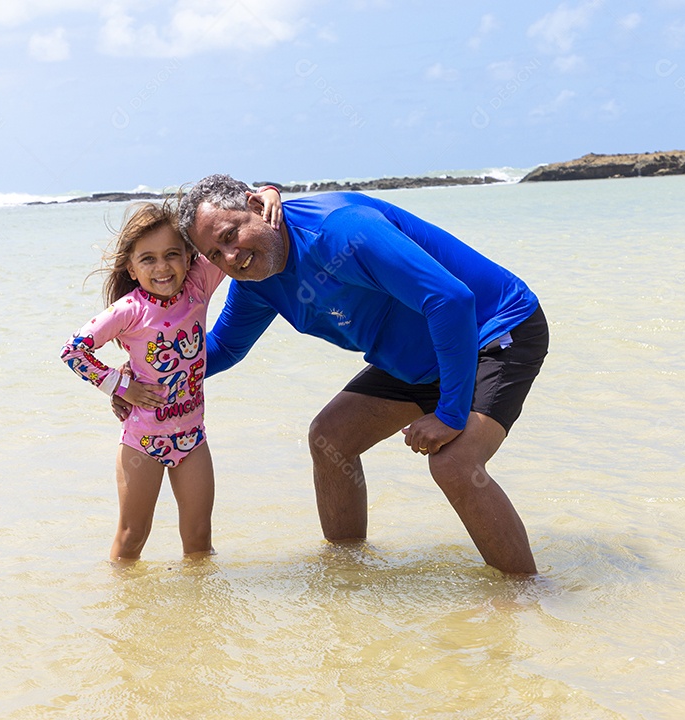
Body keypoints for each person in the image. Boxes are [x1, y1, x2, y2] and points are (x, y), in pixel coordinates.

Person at [174, 174, 548, 574]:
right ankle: (349, 572)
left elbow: (451, 301)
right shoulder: (257, 284)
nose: (230, 258)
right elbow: (225, 347)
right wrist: (154, 374)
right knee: (330, 437)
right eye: (215, 254)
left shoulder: (341, 232)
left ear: (255, 206)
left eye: (231, 236)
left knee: (454, 463)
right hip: (416, 356)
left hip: (491, 329)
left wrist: (450, 415)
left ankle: (525, 600)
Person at [62, 189, 281, 561]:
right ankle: (125, 612)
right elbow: (73, 351)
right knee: (132, 537)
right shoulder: (127, 310)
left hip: (193, 437)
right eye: (148, 259)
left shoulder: (198, 286)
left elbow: (232, 226)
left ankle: (195, 616)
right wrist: (121, 387)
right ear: (131, 268)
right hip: (142, 442)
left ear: (188, 257)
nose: (162, 268)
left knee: (199, 539)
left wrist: (270, 194)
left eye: (171, 255)